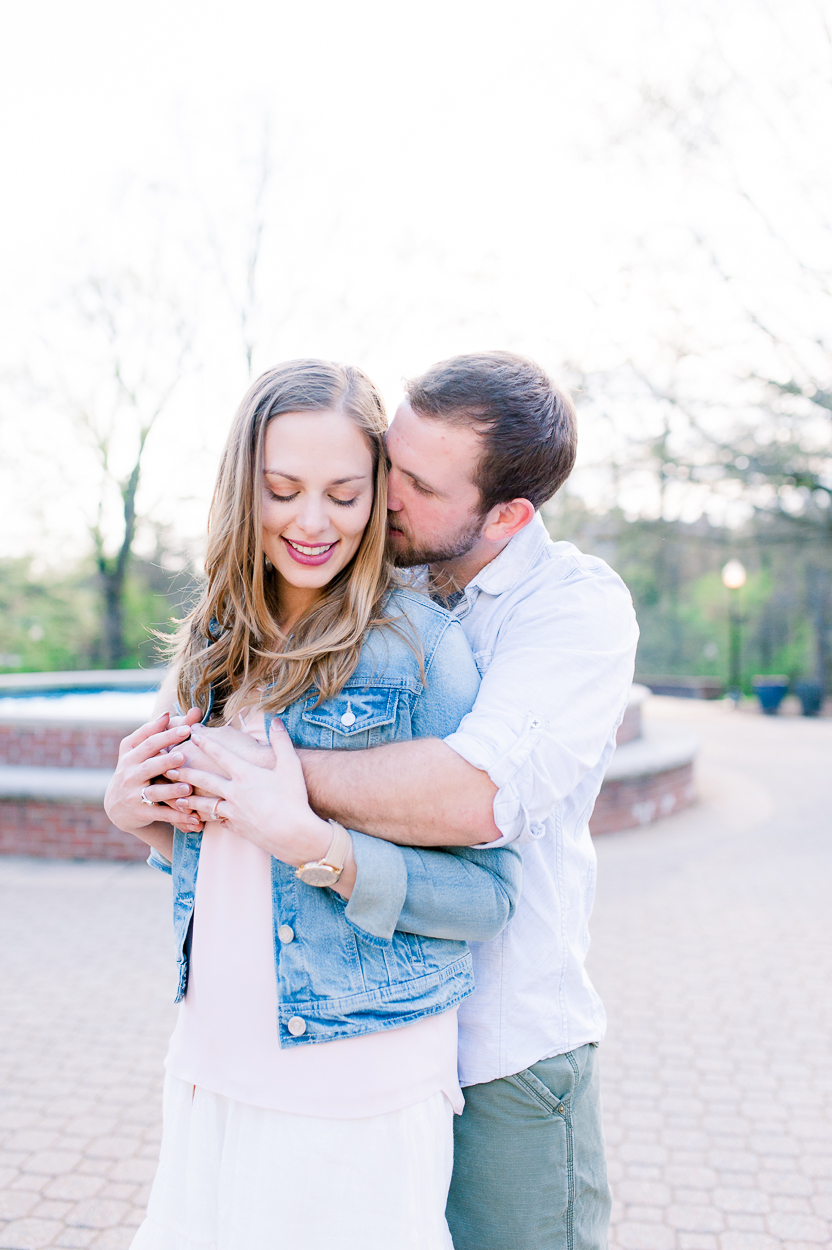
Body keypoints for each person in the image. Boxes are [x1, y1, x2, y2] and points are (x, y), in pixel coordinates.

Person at [169, 352, 640, 1250]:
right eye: (390, 462)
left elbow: (475, 797)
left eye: (414, 484)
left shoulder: (573, 609)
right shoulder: (380, 581)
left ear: (507, 514)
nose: (382, 498)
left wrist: (255, 774)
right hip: (347, 1030)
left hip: (502, 1047)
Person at [103, 359, 522, 1250]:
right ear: (241, 488)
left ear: (380, 495)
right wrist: (136, 811)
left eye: (344, 493)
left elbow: (488, 899)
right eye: (282, 490)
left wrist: (316, 844)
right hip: (211, 1063)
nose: (311, 522)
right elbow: (208, 857)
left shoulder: (419, 652)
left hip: (354, 1083)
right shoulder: (208, 649)